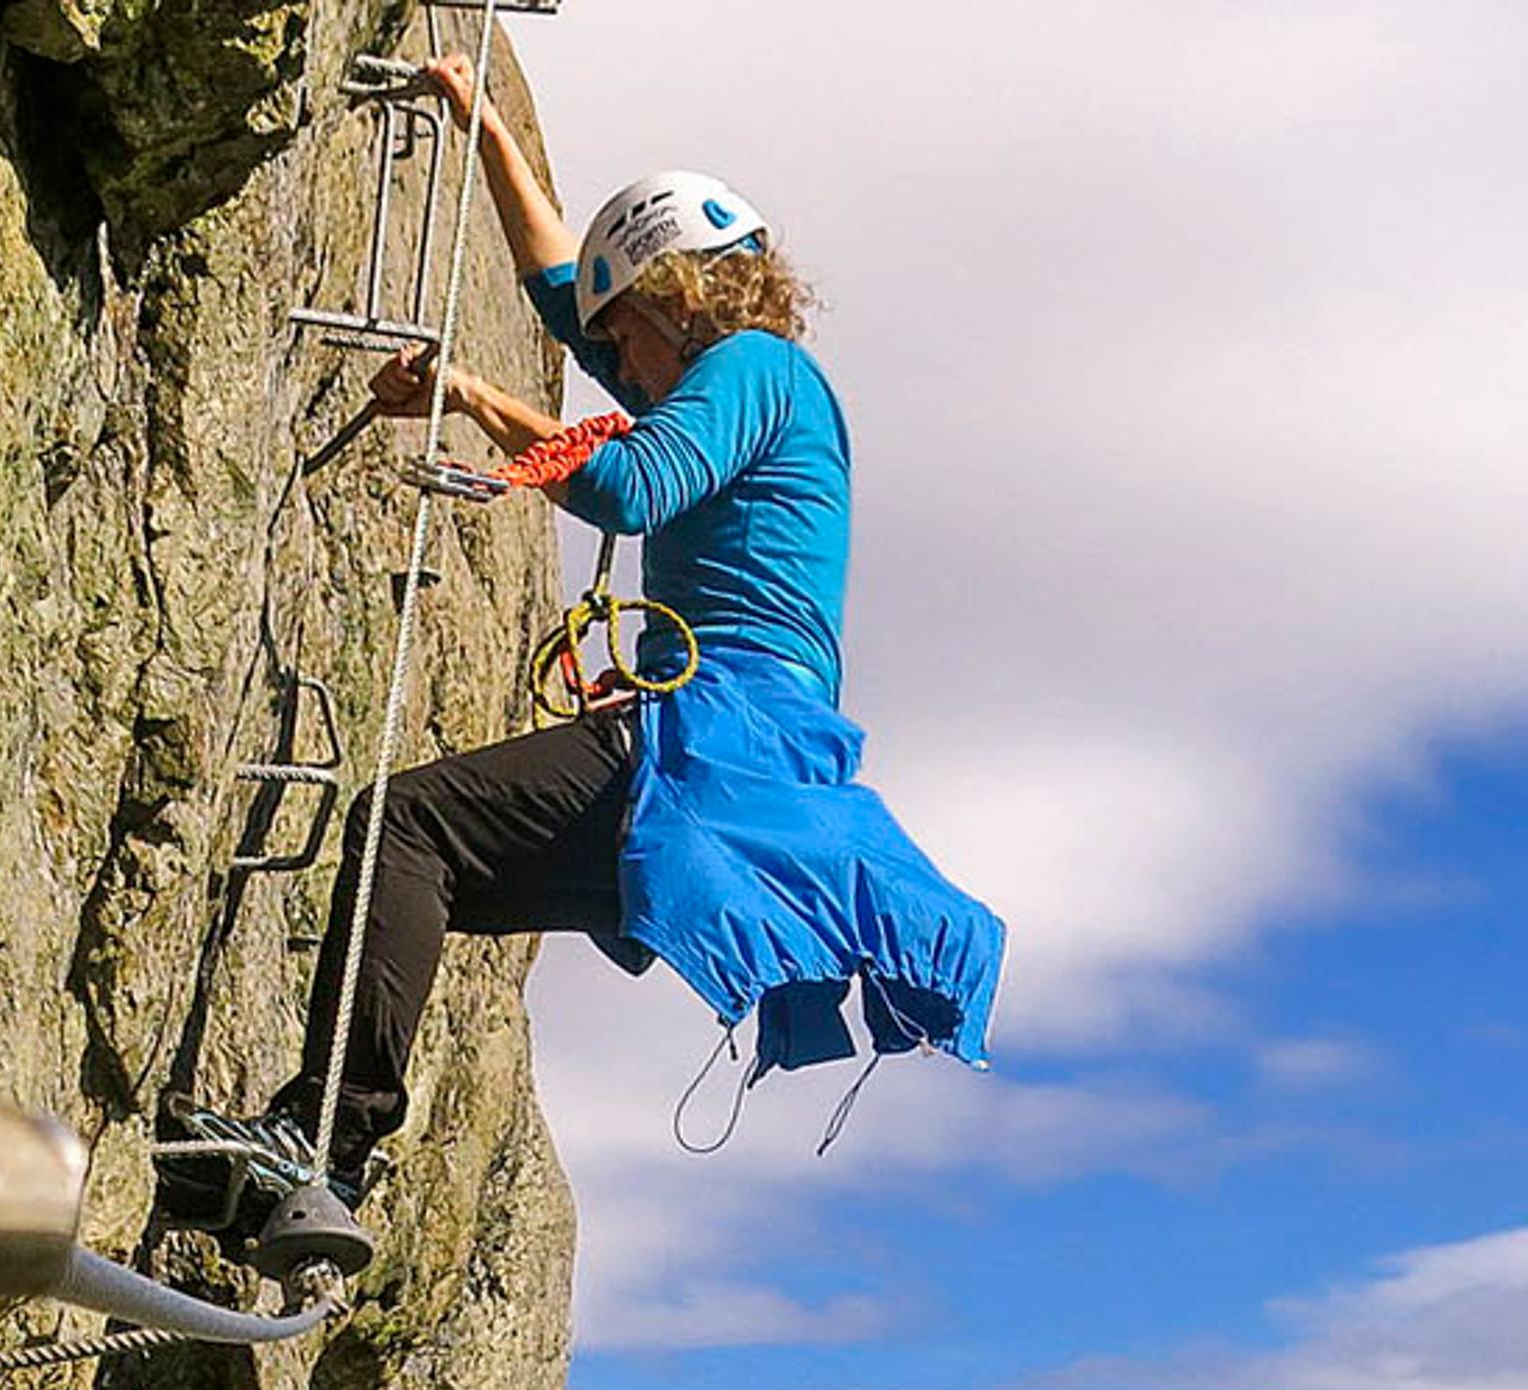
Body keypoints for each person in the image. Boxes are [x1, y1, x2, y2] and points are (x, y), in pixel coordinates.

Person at [165, 53, 1002, 1246]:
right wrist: (480, 122)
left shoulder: (752, 369)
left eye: (627, 342)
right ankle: (310, 1179)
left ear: (672, 301)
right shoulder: (726, 367)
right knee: (421, 869)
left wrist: (476, 399)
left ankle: (324, 1144)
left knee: (411, 826)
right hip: (741, 757)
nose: (622, 367)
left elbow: (631, 483)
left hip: (718, 737)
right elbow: (563, 287)